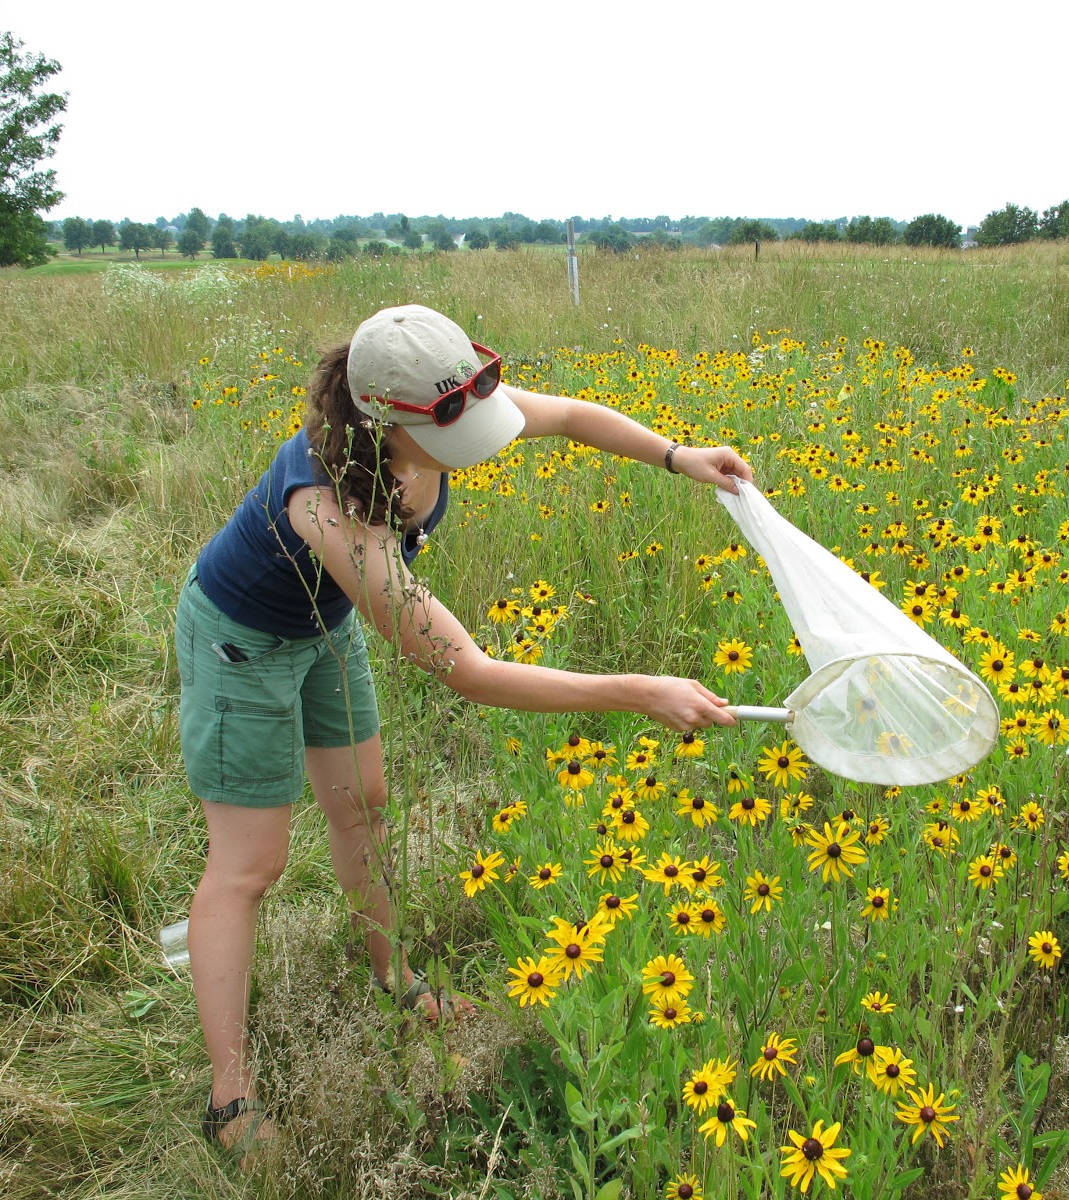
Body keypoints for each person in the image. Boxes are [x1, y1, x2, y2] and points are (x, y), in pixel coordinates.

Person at [175, 303, 751, 1164]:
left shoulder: (441, 406)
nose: (486, 433)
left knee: (365, 806)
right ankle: (230, 1099)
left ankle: (397, 980)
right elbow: (467, 670)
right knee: (250, 864)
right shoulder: (323, 506)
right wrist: (637, 691)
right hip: (243, 639)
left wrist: (677, 455)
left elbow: (574, 417)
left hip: (328, 626)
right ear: (384, 420)